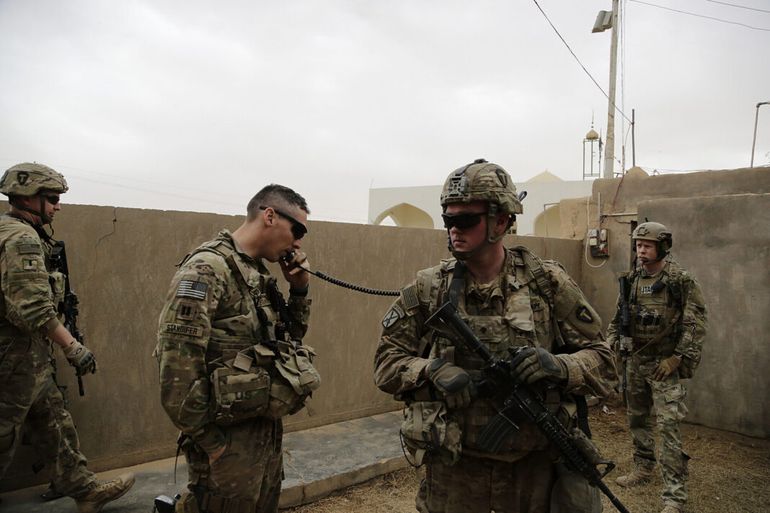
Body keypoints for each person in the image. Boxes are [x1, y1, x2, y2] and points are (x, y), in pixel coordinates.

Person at [373, 159, 616, 513]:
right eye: (448, 220)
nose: (454, 229)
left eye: (466, 220)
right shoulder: (430, 288)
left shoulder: (547, 284)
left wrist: (559, 366)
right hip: (455, 472)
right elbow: (385, 364)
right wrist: (430, 370)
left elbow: (605, 361)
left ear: (500, 221)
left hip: (534, 472)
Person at [155, 184, 320, 513]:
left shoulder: (257, 274)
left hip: (262, 437)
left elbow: (290, 341)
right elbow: (176, 375)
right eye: (297, 229)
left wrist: (299, 289)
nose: (299, 242)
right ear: (269, 216)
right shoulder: (207, 270)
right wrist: (213, 446)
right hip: (225, 447)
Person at [0, 162, 135, 513]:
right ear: (30, 199)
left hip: (25, 357)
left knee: (53, 422)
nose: (58, 206)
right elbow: (33, 309)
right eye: (54, 199)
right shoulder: (22, 239)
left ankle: (84, 490)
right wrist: (72, 347)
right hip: (12, 358)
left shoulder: (10, 231)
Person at [607, 222, 707, 513]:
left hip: (665, 365)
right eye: (638, 245)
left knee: (668, 427)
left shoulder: (679, 280)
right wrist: (613, 341)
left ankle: (674, 495)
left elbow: (695, 322)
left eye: (647, 245)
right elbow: (616, 318)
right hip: (636, 362)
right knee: (637, 419)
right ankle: (643, 467)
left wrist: (677, 357)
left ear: (662, 247)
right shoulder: (633, 280)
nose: (641, 250)